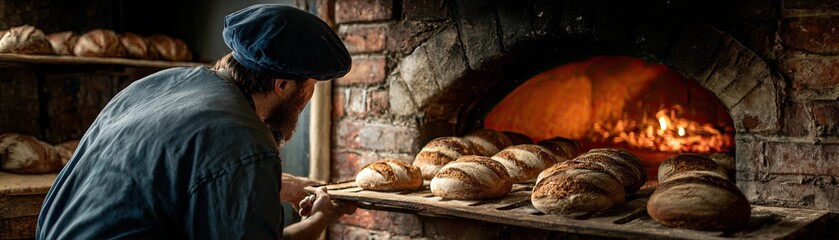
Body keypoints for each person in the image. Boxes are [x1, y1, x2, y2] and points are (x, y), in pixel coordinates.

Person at [36, 4, 356, 239]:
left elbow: (171, 173)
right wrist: (320, 219)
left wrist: (281, 186)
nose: (309, 96)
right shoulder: (245, 139)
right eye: (311, 85)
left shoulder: (160, 84)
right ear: (282, 85)